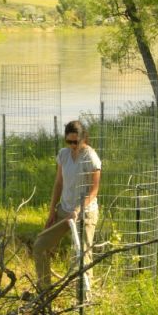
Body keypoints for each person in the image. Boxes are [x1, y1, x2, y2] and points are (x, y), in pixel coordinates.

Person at [33, 120, 102, 290]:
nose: (72, 145)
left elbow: (94, 191)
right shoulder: (63, 155)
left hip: (85, 213)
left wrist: (79, 209)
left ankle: (84, 298)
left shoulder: (91, 157)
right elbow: (58, 184)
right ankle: (45, 292)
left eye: (75, 141)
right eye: (68, 141)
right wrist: (51, 213)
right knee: (40, 246)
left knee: (82, 255)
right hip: (64, 211)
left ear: (84, 138)